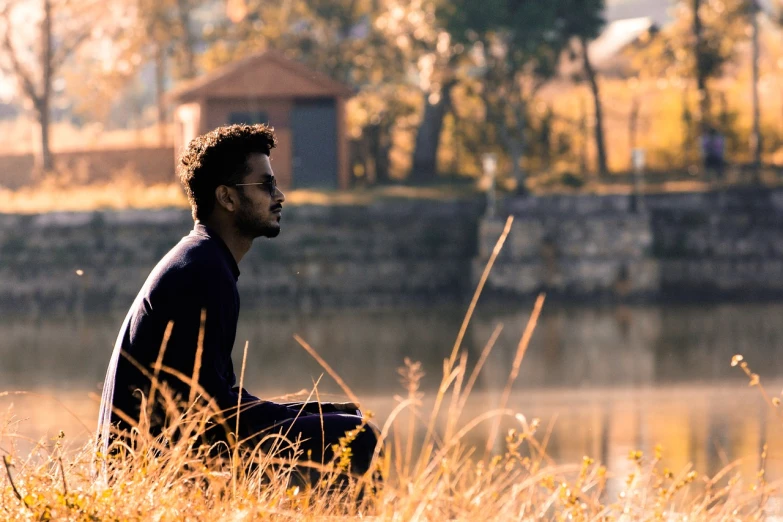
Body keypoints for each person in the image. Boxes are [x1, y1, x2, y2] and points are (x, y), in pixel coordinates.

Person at [95, 124, 380, 486]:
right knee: (357, 437)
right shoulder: (202, 271)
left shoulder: (203, 259)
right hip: (152, 477)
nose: (279, 196)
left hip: (171, 457)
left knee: (339, 424)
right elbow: (211, 417)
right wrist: (311, 417)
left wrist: (309, 411)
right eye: (265, 185)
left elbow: (216, 400)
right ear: (227, 198)